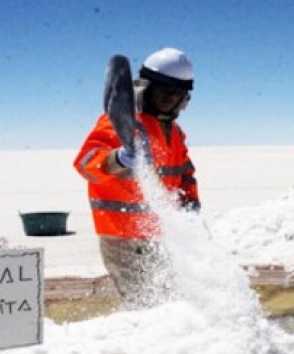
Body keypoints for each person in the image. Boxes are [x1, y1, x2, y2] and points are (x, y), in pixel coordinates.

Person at [73, 47, 200, 308]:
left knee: (169, 301)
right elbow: (86, 163)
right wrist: (115, 160)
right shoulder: (123, 123)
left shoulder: (174, 132)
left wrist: (190, 205)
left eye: (176, 92)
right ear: (146, 86)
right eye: (163, 89)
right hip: (123, 237)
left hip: (161, 235)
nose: (169, 97)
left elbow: (184, 173)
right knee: (143, 305)